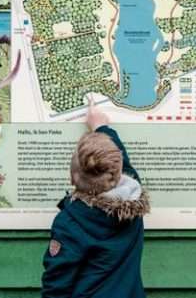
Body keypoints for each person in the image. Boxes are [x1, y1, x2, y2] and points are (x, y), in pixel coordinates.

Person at [41, 98, 149, 298]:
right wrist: (101, 126)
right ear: (116, 172)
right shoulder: (133, 201)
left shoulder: (71, 223)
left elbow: (57, 285)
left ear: (73, 176)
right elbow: (122, 163)